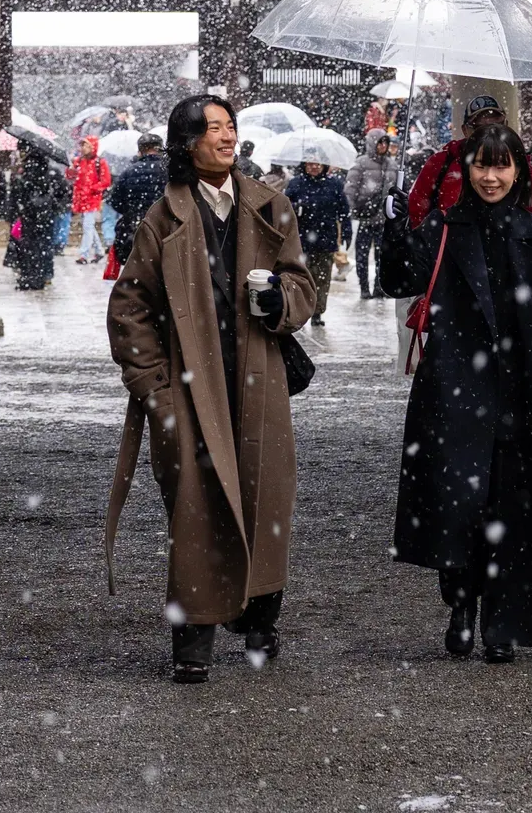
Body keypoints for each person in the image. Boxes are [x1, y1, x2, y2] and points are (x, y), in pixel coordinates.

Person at [106, 95, 316, 683]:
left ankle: (259, 619)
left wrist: (283, 301)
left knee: (264, 499)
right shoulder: (163, 217)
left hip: (259, 382)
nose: (226, 138)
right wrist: (155, 387)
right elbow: (130, 308)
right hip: (191, 389)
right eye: (213, 129)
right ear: (187, 142)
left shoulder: (269, 206)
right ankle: (193, 641)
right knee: (197, 512)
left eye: (230, 127)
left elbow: (302, 285)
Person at [387, 123, 532, 662]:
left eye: (502, 165)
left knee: (515, 507)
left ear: (518, 170)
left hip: (523, 389)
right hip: (455, 387)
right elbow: (396, 278)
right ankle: (461, 603)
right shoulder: (443, 228)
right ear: (468, 169)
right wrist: (389, 225)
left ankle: (505, 622)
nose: (491, 176)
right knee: (460, 507)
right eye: (482, 164)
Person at [406, 95, 532, 245]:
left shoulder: (520, 166)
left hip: (508, 261)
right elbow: (417, 210)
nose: (489, 133)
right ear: (465, 130)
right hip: (450, 260)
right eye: (480, 128)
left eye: (497, 125)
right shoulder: (442, 163)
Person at [284, 157, 350, 326]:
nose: (314, 167)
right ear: (304, 165)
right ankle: (300, 310)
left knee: (322, 278)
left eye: (317, 164)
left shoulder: (334, 184)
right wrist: (297, 206)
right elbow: (284, 208)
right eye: (310, 164)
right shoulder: (296, 184)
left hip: (325, 239)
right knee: (301, 278)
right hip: (301, 241)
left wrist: (347, 231)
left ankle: (317, 311)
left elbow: (343, 209)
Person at [4, 143, 70, 290]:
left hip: (28, 216)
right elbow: (64, 192)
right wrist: (54, 206)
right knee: (45, 246)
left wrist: (13, 214)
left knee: (28, 245)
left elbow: (16, 196)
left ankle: (28, 276)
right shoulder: (52, 173)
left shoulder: (23, 173)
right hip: (46, 217)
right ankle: (45, 274)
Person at [345, 130, 396, 299]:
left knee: (382, 256)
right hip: (365, 218)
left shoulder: (391, 165)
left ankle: (379, 287)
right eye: (379, 143)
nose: (383, 146)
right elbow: (350, 189)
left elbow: (397, 189)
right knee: (362, 256)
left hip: (384, 219)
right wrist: (353, 209)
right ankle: (364, 287)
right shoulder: (361, 163)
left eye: (385, 143)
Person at [106, 133, 168, 271]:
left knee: (139, 271)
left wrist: (132, 211)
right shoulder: (171, 171)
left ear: (140, 150)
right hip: (166, 229)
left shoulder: (128, 172)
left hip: (135, 229)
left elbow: (115, 201)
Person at [69, 137, 114, 264]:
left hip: (92, 199)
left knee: (87, 226)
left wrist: (91, 189)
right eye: (82, 145)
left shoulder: (100, 162)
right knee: (89, 226)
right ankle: (99, 251)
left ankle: (84, 254)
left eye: (86, 145)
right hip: (81, 199)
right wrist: (71, 168)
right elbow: (70, 176)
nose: (83, 148)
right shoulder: (79, 161)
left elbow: (106, 181)